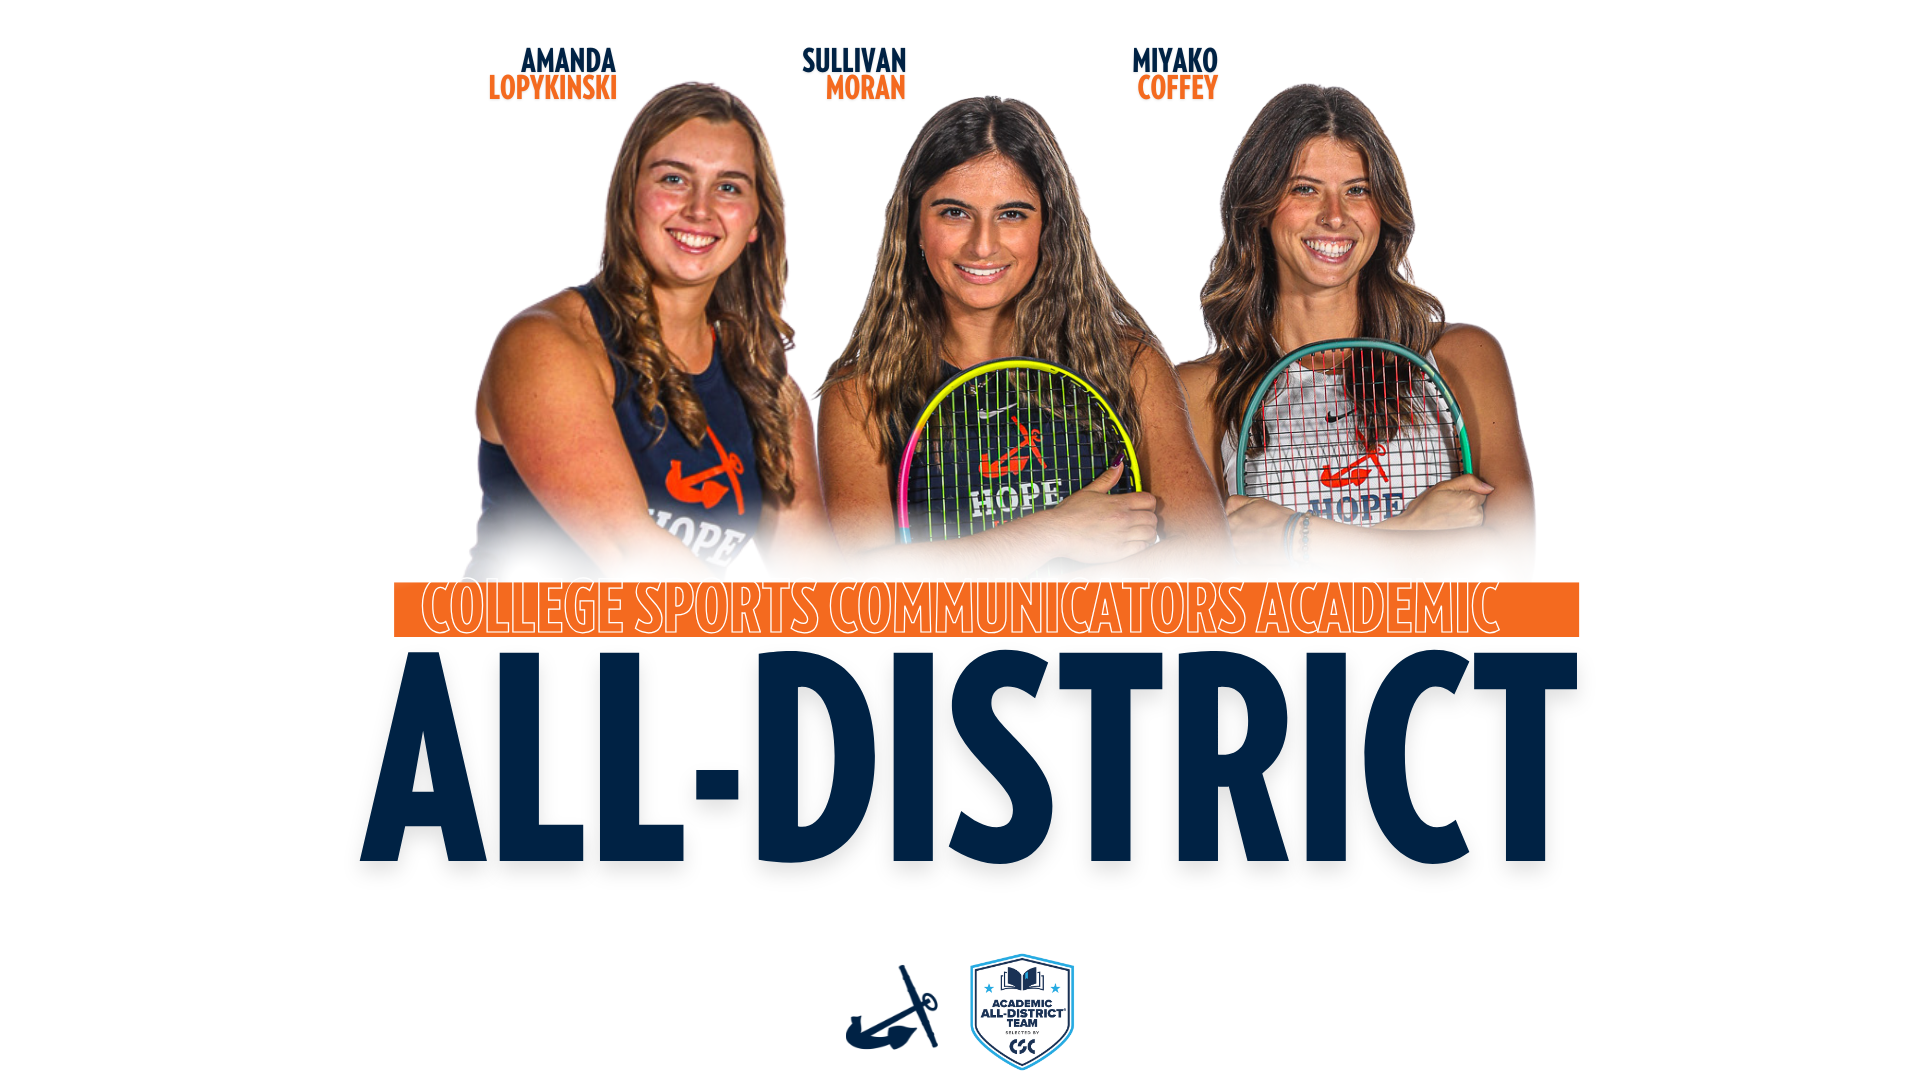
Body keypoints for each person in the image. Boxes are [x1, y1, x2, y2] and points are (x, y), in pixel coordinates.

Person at [817, 96, 1226, 575]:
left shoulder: (1129, 363)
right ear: (914, 225)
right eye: (954, 213)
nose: (983, 245)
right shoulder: (861, 395)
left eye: (1012, 214)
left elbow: (1209, 562)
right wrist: (1051, 532)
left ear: (1048, 225)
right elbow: (873, 593)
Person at [466, 83, 829, 578]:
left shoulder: (771, 397)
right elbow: (634, 559)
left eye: (728, 187)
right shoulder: (545, 345)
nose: (700, 210)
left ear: (754, 223)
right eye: (674, 179)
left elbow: (814, 588)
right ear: (629, 196)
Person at [1177, 84, 1534, 571]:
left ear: (1383, 208)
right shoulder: (1200, 391)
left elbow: (1512, 566)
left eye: (1357, 190)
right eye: (1304, 189)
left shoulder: (1461, 357)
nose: (1334, 217)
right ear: (1259, 208)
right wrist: (1413, 529)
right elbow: (1214, 593)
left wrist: (1296, 537)